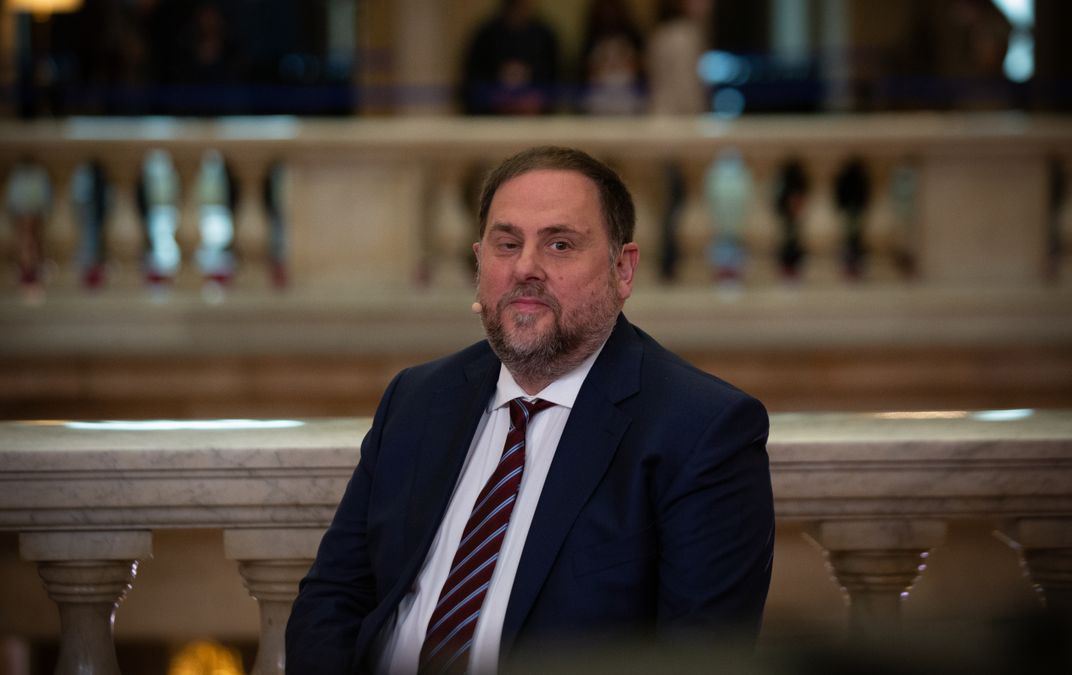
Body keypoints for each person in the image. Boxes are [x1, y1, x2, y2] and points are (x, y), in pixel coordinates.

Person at [286, 146, 774, 675]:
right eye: (507, 244)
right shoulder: (417, 398)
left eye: (559, 244)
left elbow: (699, 659)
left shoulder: (703, 430)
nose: (525, 268)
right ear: (480, 261)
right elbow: (333, 598)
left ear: (622, 268)